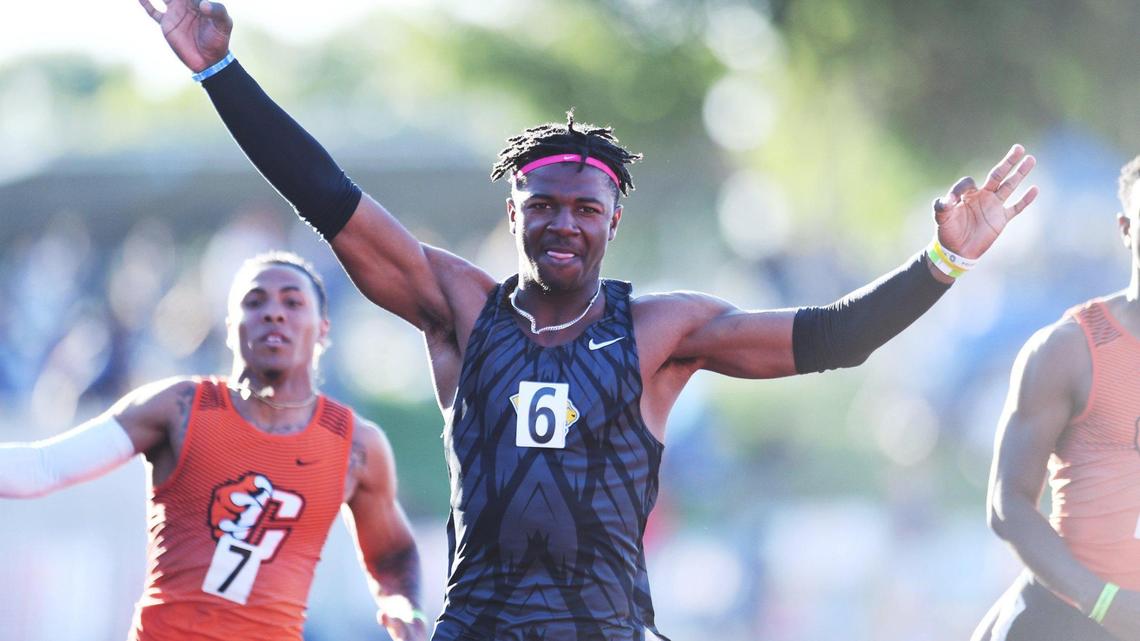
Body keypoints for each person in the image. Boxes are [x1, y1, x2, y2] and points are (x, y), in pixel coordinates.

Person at [141, 2, 1039, 638]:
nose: (562, 222)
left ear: (614, 221)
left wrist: (946, 261)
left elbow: (834, 337)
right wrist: (219, 71)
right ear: (514, 216)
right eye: (543, 205)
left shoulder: (662, 332)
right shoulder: (460, 309)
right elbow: (330, 199)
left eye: (583, 207)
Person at [0, 251, 426, 641]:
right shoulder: (178, 408)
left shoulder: (355, 445)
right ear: (229, 327)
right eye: (255, 302)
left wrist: (401, 603)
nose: (274, 314)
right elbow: (44, 467)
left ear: (323, 330)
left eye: (292, 303)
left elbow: (392, 552)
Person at [972, 158, 1140, 641]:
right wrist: (1104, 602)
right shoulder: (1069, 350)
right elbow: (1008, 504)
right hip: (1068, 617)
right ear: (1126, 229)